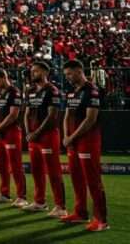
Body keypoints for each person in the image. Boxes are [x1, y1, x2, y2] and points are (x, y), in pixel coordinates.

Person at [61, 60, 109, 231]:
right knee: (76, 178)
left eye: (70, 74)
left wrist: (71, 137)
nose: (67, 77)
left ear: (79, 71)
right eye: (66, 74)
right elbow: (66, 115)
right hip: (72, 141)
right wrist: (66, 136)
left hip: (88, 140)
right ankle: (80, 213)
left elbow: (90, 119)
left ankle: (101, 220)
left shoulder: (92, 90)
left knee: (93, 180)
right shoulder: (71, 92)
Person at [23, 62, 66, 216]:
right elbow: (27, 113)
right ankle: (39, 202)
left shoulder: (52, 90)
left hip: (48, 135)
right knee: (36, 170)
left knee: (53, 171)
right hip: (33, 136)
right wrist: (29, 132)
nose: (32, 73)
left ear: (45, 72)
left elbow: (52, 115)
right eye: (32, 71)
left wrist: (37, 132)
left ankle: (60, 207)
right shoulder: (30, 90)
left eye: (36, 71)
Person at [0, 68, 28, 207]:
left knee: (15, 165)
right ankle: (4, 193)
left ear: (5, 77)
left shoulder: (14, 92)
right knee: (1, 164)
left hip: (11, 132)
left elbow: (13, 115)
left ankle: (21, 197)